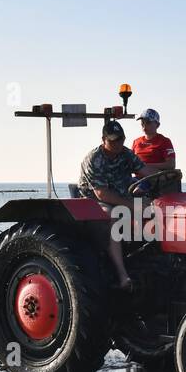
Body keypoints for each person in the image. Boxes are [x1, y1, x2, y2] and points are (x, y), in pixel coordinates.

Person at [78, 120, 146, 289]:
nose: (118, 144)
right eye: (113, 140)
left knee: (153, 209)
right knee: (114, 216)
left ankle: (146, 256)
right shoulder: (94, 159)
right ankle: (123, 275)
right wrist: (132, 206)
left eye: (121, 139)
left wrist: (167, 175)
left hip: (122, 196)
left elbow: (145, 171)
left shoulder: (126, 154)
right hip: (93, 201)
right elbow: (102, 193)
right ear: (104, 140)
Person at [131, 108, 175, 172]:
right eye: (142, 122)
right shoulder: (136, 142)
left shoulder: (165, 141)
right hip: (136, 180)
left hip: (154, 179)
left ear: (157, 125)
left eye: (148, 122)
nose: (144, 125)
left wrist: (144, 166)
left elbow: (171, 165)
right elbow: (129, 163)